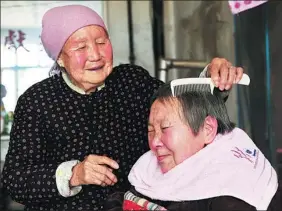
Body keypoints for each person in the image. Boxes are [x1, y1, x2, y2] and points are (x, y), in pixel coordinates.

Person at [1, 4, 244, 211]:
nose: (95, 55)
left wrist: (213, 79)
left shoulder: (131, 81)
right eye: (80, 47)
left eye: (101, 42)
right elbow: (15, 179)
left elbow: (182, 107)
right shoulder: (36, 101)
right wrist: (75, 174)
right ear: (60, 58)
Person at [105, 82, 279, 211]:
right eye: (151, 130)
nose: (155, 142)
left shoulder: (230, 195)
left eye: (165, 129)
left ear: (208, 129)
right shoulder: (152, 168)